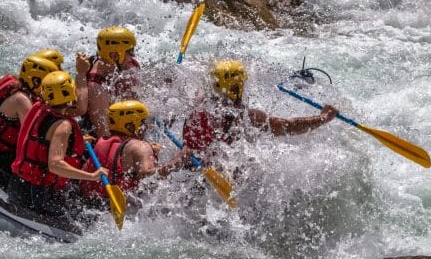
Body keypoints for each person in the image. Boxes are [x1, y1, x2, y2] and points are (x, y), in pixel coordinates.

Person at [177, 60, 339, 163]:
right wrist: (322, 118)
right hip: (214, 175)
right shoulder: (244, 115)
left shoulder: (198, 102)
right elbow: (286, 126)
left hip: (190, 169)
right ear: (238, 87)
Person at [8, 71, 108, 221]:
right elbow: (55, 165)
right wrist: (92, 176)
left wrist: (79, 139)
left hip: (17, 185)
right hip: (38, 196)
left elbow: (45, 138)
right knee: (89, 216)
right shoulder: (63, 126)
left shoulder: (39, 108)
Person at [0, 54, 58, 189]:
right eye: (47, 85)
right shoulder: (22, 100)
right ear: (35, 81)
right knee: (18, 185)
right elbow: (33, 137)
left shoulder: (14, 84)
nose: (49, 90)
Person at [80, 100, 177, 206]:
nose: (146, 127)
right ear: (130, 125)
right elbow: (148, 174)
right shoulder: (140, 147)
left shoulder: (102, 141)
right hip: (119, 206)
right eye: (143, 122)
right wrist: (175, 164)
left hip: (88, 202)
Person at [82, 26, 141, 137]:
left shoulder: (127, 65)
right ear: (114, 55)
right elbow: (102, 131)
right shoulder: (96, 86)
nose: (132, 55)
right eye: (129, 51)